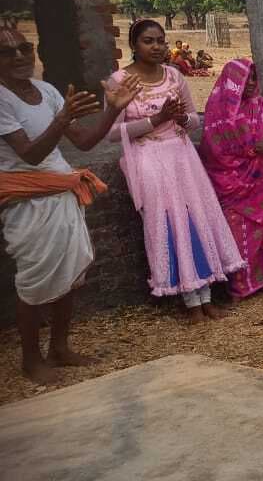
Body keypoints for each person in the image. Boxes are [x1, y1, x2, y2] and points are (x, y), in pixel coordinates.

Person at [0, 27, 138, 383]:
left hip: (62, 193)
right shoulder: (1, 99)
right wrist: (60, 120)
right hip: (29, 200)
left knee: (72, 273)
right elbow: (30, 155)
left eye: (24, 48)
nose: (18, 56)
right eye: (7, 51)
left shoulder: (46, 91)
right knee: (33, 279)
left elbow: (86, 141)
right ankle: (31, 360)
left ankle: (59, 348)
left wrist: (112, 109)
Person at [109, 19, 245, 320]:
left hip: (182, 156)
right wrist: (156, 120)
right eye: (148, 41)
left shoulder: (173, 75)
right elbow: (112, 132)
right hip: (149, 158)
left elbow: (194, 120)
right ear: (133, 45)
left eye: (160, 40)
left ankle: (207, 297)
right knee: (169, 223)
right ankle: (190, 301)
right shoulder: (119, 80)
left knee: (197, 218)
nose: (156, 46)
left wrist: (181, 118)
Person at [197, 58, 263, 301]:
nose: (251, 83)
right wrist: (253, 147)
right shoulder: (218, 111)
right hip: (233, 182)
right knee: (239, 231)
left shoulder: (262, 106)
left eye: (254, 77)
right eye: (245, 78)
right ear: (232, 82)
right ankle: (241, 285)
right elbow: (214, 149)